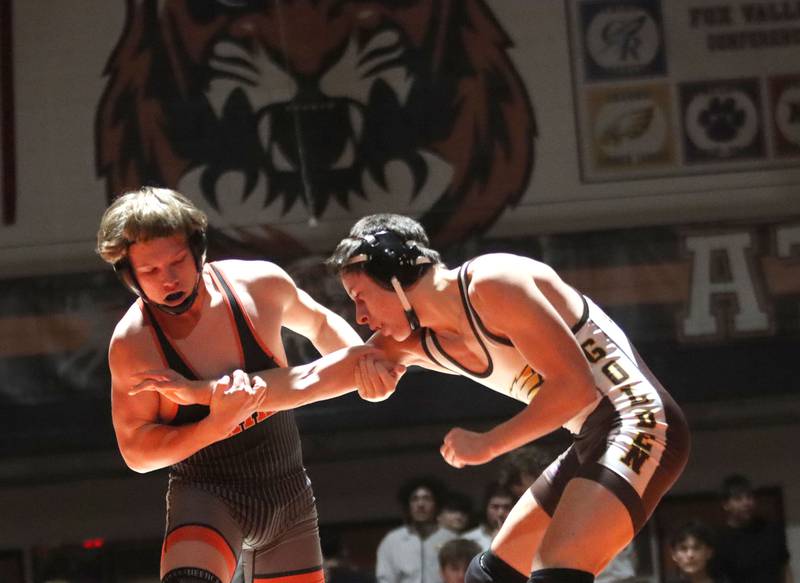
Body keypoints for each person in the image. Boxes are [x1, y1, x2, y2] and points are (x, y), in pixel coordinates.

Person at [327, 213, 691, 583]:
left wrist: (489, 443)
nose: (360, 318)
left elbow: (575, 388)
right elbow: (326, 374)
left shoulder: (491, 283)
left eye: (361, 299)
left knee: (557, 565)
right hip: (591, 435)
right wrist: (265, 397)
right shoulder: (421, 338)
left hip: (638, 420)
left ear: (396, 277)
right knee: (491, 576)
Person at [96, 187, 402, 583]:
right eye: (151, 272)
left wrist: (365, 372)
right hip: (207, 493)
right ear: (129, 276)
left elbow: (321, 324)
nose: (168, 279)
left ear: (198, 250)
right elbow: (136, 451)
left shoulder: (257, 285)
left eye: (176, 262)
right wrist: (212, 427)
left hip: (287, 493)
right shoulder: (134, 343)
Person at [375, 476, 458, 583]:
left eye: (427, 499)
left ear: (437, 504)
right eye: (415, 499)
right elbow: (385, 578)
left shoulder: (451, 540)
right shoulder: (392, 541)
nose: (420, 504)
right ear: (408, 506)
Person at [715, 474, 793, 583]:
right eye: (738, 499)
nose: (746, 503)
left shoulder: (771, 530)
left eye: (749, 497)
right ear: (726, 504)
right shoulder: (721, 540)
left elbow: (784, 567)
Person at [463, 482, 515, 551]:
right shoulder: (468, 540)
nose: (500, 513)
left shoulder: (524, 538)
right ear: (485, 509)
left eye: (507, 507)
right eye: (495, 507)